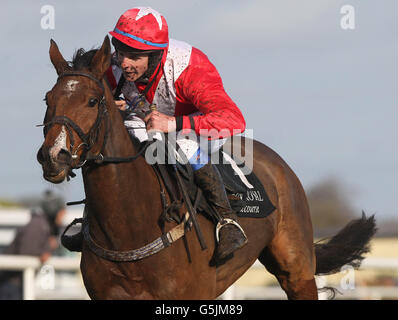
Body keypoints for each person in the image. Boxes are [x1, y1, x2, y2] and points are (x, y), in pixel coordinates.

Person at [67, 7, 248, 261]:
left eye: (133, 56)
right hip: (149, 120)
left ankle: (227, 221)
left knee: (182, 146)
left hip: (196, 125)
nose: (124, 63)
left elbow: (234, 121)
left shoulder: (191, 68)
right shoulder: (116, 65)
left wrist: (174, 123)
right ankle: (93, 219)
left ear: (155, 56)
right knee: (114, 138)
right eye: (120, 52)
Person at [0, 190, 66, 299]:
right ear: (54, 211)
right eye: (62, 211)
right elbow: (26, 252)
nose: (64, 215)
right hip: (10, 285)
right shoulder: (37, 225)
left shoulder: (43, 225)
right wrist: (48, 249)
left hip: (16, 283)